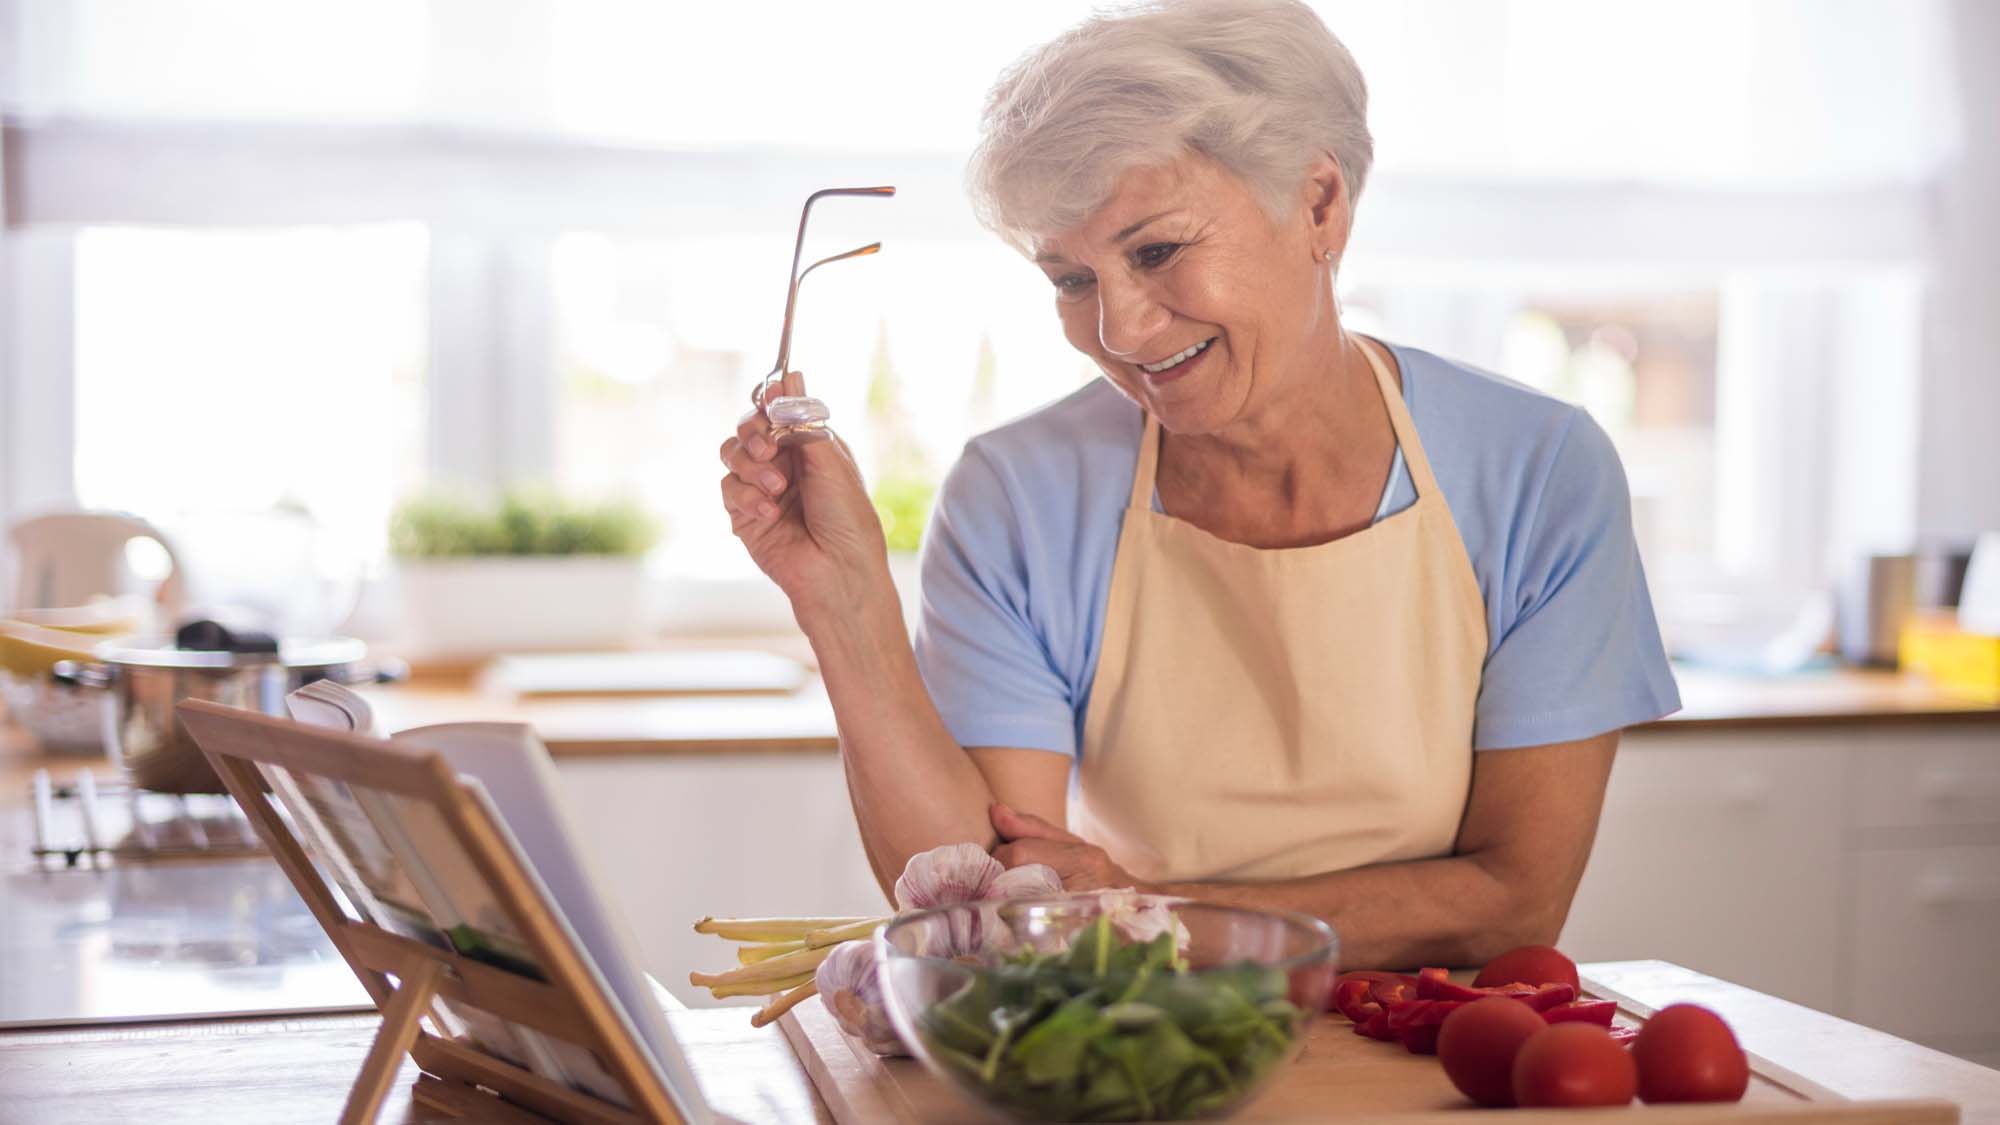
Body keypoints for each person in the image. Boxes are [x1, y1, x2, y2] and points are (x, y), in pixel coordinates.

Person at [717, 0, 1679, 970]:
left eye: (1156, 250)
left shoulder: (1536, 469)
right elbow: (985, 898)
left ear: (1317, 205)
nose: (1121, 332)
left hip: (1435, 1051)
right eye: (1070, 279)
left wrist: (1151, 908)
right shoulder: (1021, 495)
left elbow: (1511, 901)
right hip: (1142, 1045)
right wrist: (843, 605)